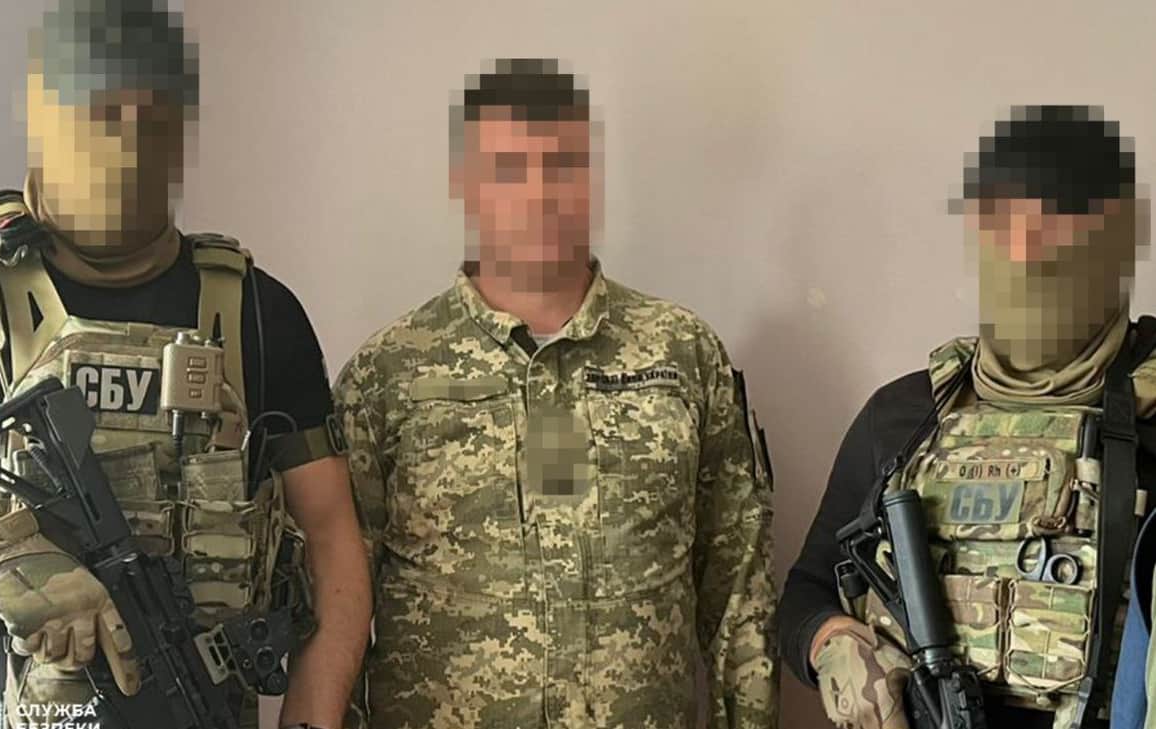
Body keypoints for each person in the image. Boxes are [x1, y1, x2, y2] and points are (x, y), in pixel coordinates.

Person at [0, 1, 370, 727]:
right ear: (42, 111)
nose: (126, 140)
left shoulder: (256, 311)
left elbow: (332, 540)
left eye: (151, 117)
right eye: (99, 110)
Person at [332, 57, 778, 729]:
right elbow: (334, 601)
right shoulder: (389, 374)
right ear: (466, 185)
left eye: (562, 166)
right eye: (509, 169)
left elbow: (738, 588)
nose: (539, 194)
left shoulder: (682, 353)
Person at [778, 104, 1152, 729]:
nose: (1027, 254)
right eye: (1005, 226)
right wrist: (833, 643)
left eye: (1057, 221)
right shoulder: (904, 415)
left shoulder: (1149, 408)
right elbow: (807, 589)